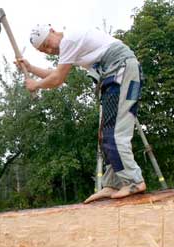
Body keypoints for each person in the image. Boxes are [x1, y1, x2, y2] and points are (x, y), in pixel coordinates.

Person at [16, 24, 146, 203]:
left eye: (47, 43)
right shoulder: (70, 45)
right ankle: (113, 184)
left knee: (115, 133)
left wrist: (36, 85)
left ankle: (134, 181)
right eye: (43, 50)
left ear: (53, 31)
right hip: (112, 75)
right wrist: (30, 69)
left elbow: (57, 80)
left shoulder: (70, 39)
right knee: (105, 136)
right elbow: (56, 73)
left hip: (121, 70)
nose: (49, 49)